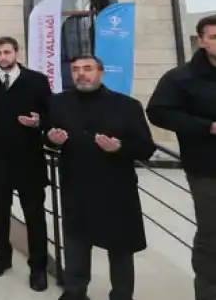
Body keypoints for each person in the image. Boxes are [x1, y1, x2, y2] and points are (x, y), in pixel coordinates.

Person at [46, 55, 155, 300]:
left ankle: (121, 294)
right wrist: (52, 140)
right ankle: (75, 291)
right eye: (76, 70)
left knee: (120, 248)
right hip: (76, 185)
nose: (81, 74)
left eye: (87, 68)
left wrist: (119, 148)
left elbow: (146, 148)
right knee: (76, 244)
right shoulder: (58, 103)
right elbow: (48, 136)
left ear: (101, 73)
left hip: (116, 188)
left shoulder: (127, 106)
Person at [147, 14, 216, 300]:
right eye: (214, 37)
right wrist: (208, 126)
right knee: (213, 236)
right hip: (207, 169)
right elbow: (159, 112)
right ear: (201, 41)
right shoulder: (180, 78)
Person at [0, 36, 51, 290]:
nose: (2, 57)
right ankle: (2, 258)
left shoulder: (37, 80)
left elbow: (50, 115)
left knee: (35, 216)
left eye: (7, 52)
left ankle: (38, 267)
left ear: (16, 52)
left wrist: (39, 122)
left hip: (29, 160)